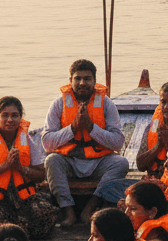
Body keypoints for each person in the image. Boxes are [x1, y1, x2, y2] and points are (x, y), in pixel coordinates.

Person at [42, 59, 129, 228]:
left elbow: (118, 142)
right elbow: (47, 142)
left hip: (99, 162)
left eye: (87, 78)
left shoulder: (106, 104)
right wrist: (73, 128)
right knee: (51, 160)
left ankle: (91, 206)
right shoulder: (58, 104)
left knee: (121, 163)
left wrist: (91, 128)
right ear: (70, 81)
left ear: (95, 81)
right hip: (69, 161)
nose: (82, 83)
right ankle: (68, 210)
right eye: (78, 78)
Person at [0, 97, 56, 240]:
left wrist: (20, 168)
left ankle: (17, 227)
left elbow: (40, 175)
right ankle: (16, 228)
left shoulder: (27, 138)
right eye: (5, 115)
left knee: (45, 219)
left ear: (20, 118)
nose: (10, 119)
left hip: (23, 197)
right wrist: (6, 165)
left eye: (15, 115)